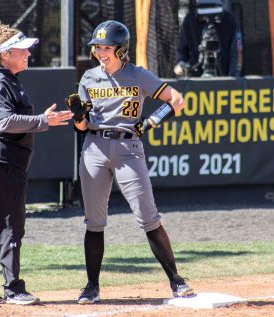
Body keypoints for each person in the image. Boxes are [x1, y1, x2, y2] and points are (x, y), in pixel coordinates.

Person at [68, 20, 194, 305]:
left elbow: (177, 99)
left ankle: (176, 280)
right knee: (94, 222)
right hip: (94, 148)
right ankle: (91, 286)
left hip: (128, 147)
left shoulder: (137, 74)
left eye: (107, 47)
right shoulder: (88, 78)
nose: (101, 52)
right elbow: (82, 127)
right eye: (97, 47)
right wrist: (77, 116)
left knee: (148, 217)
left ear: (121, 50)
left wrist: (149, 123)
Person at [0, 22, 73, 306]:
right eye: (22, 50)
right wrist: (44, 121)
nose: (28, 54)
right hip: (0, 159)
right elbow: (5, 122)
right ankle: (14, 288)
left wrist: (40, 121)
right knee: (11, 223)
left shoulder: (4, 77)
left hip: (0, 159)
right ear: (5, 54)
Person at [174, 0, 243, 77]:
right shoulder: (189, 20)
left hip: (224, 76)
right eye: (202, 18)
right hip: (196, 77)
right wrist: (181, 64)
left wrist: (232, 79)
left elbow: (237, 52)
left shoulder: (230, 20)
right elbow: (182, 50)